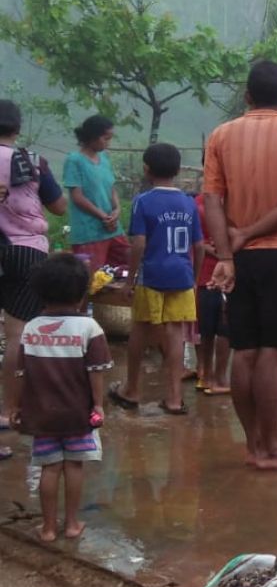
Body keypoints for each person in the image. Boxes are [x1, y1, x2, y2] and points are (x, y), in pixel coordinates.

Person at [203, 60, 277, 472]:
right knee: (272, 353)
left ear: (248, 97)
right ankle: (273, 448)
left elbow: (213, 202)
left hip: (239, 256)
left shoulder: (221, 136)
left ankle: (255, 444)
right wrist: (250, 234)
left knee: (244, 351)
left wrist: (227, 251)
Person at [9, 253, 112, 542]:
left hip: (42, 415)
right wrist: (98, 406)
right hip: (77, 415)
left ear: (40, 293)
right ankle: (71, 524)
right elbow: (96, 373)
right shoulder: (90, 329)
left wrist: (16, 407)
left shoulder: (31, 329)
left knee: (49, 468)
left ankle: (48, 528)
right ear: (82, 294)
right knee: (74, 465)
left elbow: (21, 374)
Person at [108, 144, 203, 415]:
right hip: (182, 276)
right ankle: (174, 398)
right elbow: (199, 246)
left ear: (147, 169)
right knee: (176, 334)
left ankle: (132, 389)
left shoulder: (144, 201)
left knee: (141, 328)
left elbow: (138, 242)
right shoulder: (188, 202)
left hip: (152, 275)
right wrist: (193, 278)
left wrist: (130, 280)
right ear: (177, 170)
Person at [0, 100, 68, 435]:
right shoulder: (33, 162)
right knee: (16, 335)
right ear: (17, 127)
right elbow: (58, 207)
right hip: (26, 251)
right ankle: (9, 410)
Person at [63, 115, 129, 273]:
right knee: (90, 279)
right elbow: (77, 196)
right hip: (89, 230)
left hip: (112, 228)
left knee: (127, 263)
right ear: (92, 137)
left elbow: (111, 188)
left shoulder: (104, 159)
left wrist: (117, 210)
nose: (108, 143)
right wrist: (102, 216)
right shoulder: (74, 160)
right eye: (106, 138)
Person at [194, 194, 231, 395]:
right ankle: (209, 374)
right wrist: (223, 251)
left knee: (223, 328)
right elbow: (196, 240)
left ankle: (215, 376)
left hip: (225, 273)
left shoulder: (232, 199)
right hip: (208, 273)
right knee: (208, 328)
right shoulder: (198, 203)